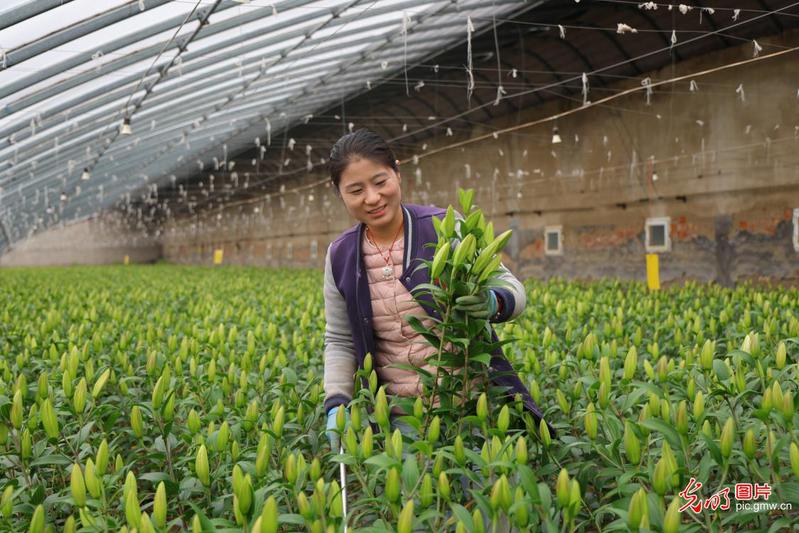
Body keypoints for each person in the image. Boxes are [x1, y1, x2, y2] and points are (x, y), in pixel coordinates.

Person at [323, 129, 554, 449]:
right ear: (340, 194)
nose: (372, 198)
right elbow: (340, 339)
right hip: (400, 420)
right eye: (356, 190)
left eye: (380, 182)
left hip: (471, 409)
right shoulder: (341, 255)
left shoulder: (443, 228)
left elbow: (512, 289)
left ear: (397, 173)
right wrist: (336, 402)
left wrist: (493, 302)